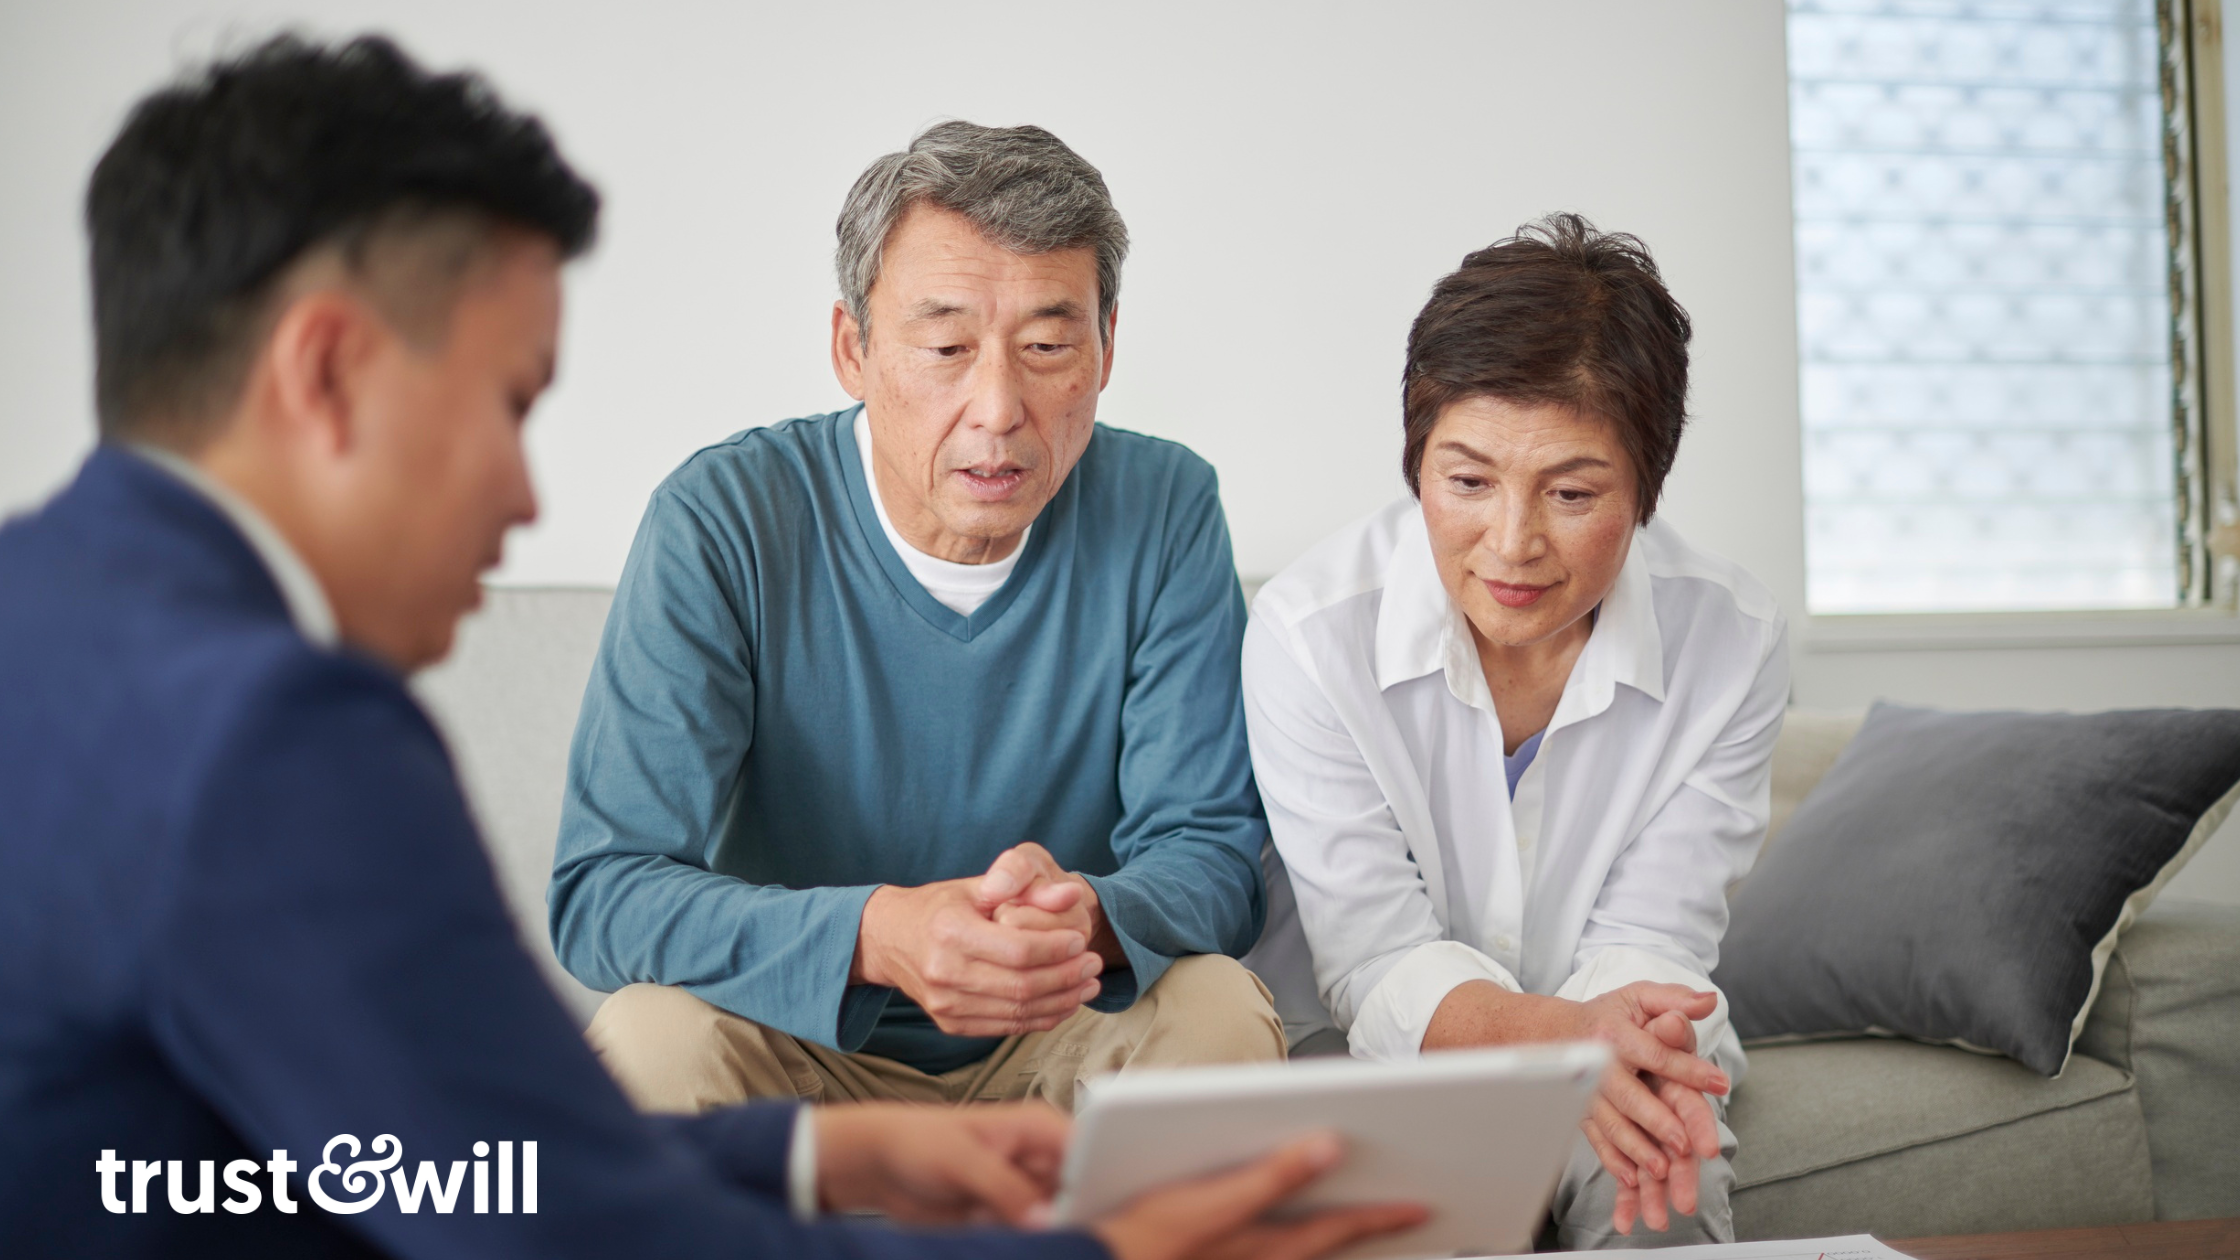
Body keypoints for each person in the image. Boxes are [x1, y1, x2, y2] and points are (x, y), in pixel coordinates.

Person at [0, 35, 1421, 1260]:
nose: (527, 496)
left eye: (1048, 346)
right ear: (323, 371)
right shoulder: (278, 735)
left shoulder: (48, 620)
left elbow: (436, 1161)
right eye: (510, 401)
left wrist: (809, 1166)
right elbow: (540, 1213)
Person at [550, 121, 1283, 1114]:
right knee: (645, 1039)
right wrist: (875, 935)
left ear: (1105, 349)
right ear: (851, 349)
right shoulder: (722, 518)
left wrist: (1086, 918)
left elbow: (1211, 856)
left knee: (1217, 1011)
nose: (996, 408)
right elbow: (605, 890)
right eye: (944, 346)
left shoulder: (1165, 506)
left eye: (1046, 347)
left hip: (1058, 1029)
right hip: (794, 1034)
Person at [1239, 215, 1790, 1249]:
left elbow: (1654, 941)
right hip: (1385, 1058)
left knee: (1661, 1181)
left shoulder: (1732, 638)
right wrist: (1556, 1043)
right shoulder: (1309, 635)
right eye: (1466, 482)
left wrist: (1599, 1056)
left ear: (1645, 487)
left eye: (1572, 494)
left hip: (1616, 1034)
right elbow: (1373, 960)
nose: (1511, 542)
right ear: (1415, 465)